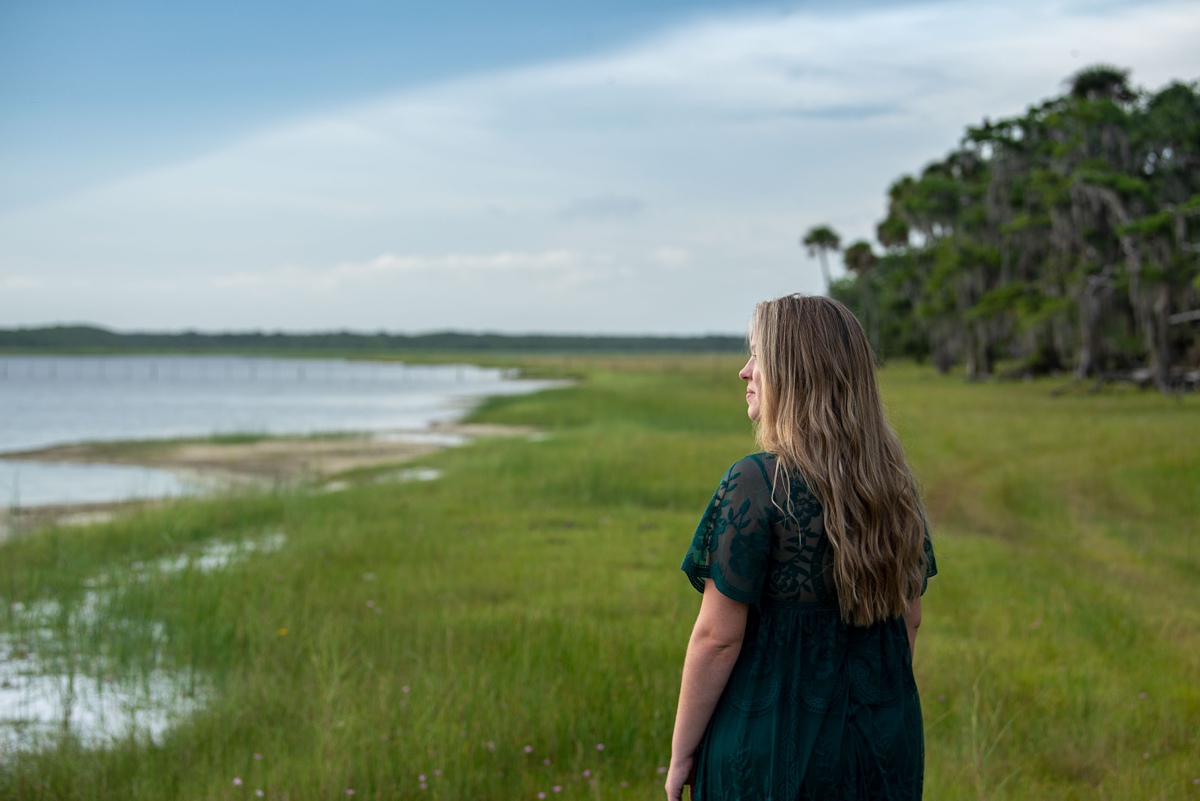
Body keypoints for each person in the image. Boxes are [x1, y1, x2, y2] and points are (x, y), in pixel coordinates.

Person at [666, 294, 937, 801]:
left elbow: (716, 639)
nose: (745, 372)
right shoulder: (894, 486)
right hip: (883, 744)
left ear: (794, 373)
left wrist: (682, 753)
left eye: (757, 357)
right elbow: (909, 621)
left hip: (771, 754)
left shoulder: (755, 483)